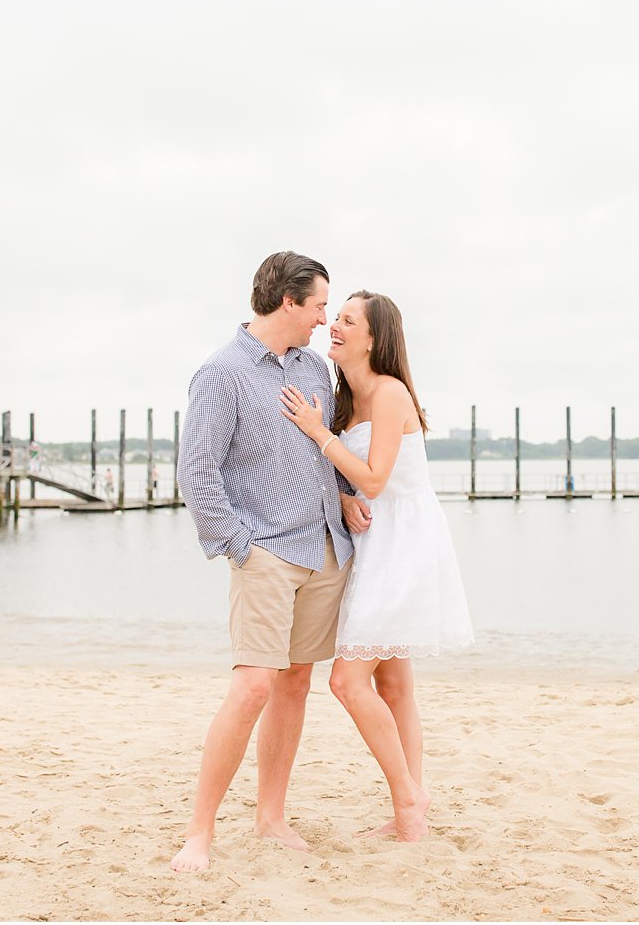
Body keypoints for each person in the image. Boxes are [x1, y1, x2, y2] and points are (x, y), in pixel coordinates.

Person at [171, 252, 368, 873]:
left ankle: (270, 816)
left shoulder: (315, 370)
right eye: (317, 307)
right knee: (253, 684)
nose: (323, 319)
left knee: (293, 685)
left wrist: (343, 494)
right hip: (266, 554)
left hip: (324, 550)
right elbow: (197, 473)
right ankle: (198, 833)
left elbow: (318, 451)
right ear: (288, 302)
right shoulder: (221, 373)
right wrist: (239, 547)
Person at [280, 290, 473, 843]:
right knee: (393, 683)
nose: (334, 326)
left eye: (347, 320)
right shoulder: (346, 397)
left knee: (346, 680)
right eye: (334, 317)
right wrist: (340, 499)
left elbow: (374, 479)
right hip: (373, 543)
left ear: (374, 337)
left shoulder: (388, 394)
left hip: (405, 547)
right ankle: (411, 810)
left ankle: (410, 799)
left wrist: (317, 433)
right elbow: (352, 485)